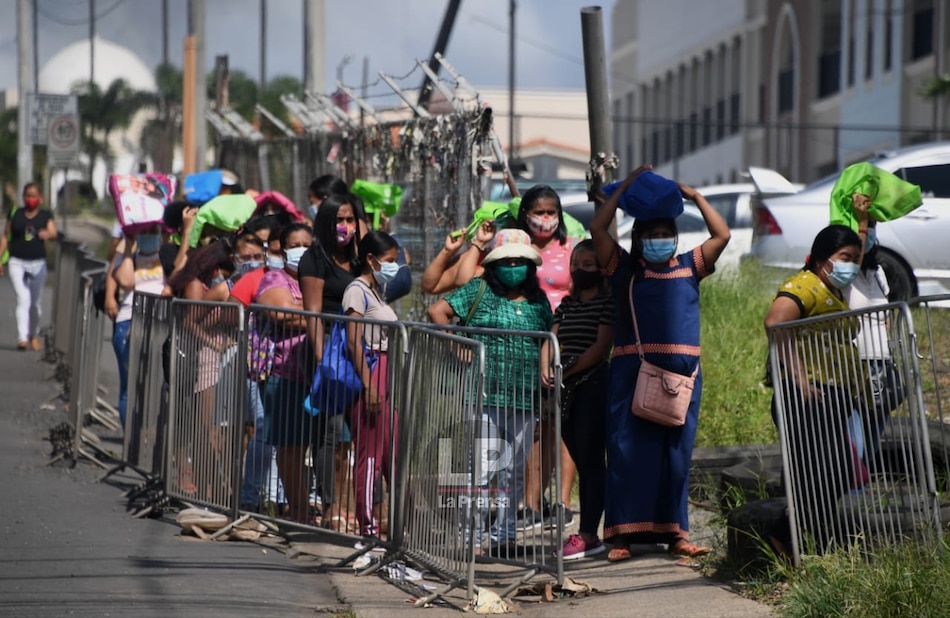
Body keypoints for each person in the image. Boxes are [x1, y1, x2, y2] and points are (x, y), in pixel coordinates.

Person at [590, 165, 730, 562]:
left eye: (666, 234)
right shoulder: (625, 272)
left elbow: (723, 235)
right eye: (651, 235)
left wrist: (697, 197)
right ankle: (620, 537)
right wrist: (625, 189)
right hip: (632, 374)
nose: (659, 241)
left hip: (683, 378)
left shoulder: (690, 267)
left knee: (676, 457)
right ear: (638, 238)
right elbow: (599, 231)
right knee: (625, 453)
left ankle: (677, 536)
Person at [428, 228, 553, 554]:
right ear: (495, 264)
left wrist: (545, 365)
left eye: (520, 261)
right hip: (484, 393)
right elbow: (437, 311)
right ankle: (470, 539)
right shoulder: (478, 289)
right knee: (481, 470)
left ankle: (505, 537)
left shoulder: (539, 301)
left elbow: (548, 337)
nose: (514, 266)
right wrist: (457, 346)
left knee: (513, 471)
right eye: (507, 260)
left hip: (524, 397)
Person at [764, 224, 867, 552]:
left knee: (837, 471)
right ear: (823, 259)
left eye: (855, 258)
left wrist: (863, 223)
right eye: (844, 257)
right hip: (808, 397)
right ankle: (784, 536)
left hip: (832, 395)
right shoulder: (805, 285)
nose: (851, 264)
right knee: (823, 472)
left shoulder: (832, 291)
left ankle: (806, 545)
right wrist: (799, 378)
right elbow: (775, 322)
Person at [540, 240, 615, 560]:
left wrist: (568, 369)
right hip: (565, 388)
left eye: (589, 265)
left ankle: (589, 533)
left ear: (601, 270)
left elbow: (600, 348)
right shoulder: (567, 304)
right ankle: (588, 532)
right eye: (577, 264)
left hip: (591, 383)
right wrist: (546, 364)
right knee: (573, 451)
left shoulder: (607, 304)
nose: (581, 270)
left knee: (590, 461)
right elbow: (552, 337)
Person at [298, 193, 366, 532]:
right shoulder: (314, 259)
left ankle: (360, 504)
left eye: (351, 220)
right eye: (339, 220)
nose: (346, 227)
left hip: (359, 352)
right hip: (330, 355)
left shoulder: (358, 260)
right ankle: (331, 504)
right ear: (326, 222)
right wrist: (325, 363)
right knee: (330, 430)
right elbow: (312, 314)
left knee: (359, 431)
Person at [253, 223, 315, 523]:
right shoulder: (274, 278)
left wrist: (306, 310)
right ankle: (300, 512)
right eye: (295, 244)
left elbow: (305, 312)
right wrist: (318, 317)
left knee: (316, 445)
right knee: (291, 445)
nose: (301, 249)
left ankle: (313, 507)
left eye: (307, 242)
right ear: (284, 249)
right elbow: (283, 315)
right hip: (284, 372)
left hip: (317, 373)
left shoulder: (315, 279)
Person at [342, 231, 401, 539]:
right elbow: (354, 342)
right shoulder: (357, 291)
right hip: (372, 372)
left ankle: (398, 524)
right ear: (371, 259)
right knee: (371, 455)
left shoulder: (377, 291)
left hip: (386, 372)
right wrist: (369, 384)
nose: (394, 266)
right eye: (389, 261)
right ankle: (368, 527)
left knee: (391, 450)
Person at [846, 195, 904, 458]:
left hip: (881, 362)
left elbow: (886, 315)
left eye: (872, 229)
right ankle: (852, 489)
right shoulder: (846, 274)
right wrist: (860, 222)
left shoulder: (878, 273)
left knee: (874, 431)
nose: (869, 234)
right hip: (855, 363)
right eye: (864, 230)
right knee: (855, 433)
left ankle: (863, 482)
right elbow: (853, 260)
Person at [111, 224, 167, 426]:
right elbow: (125, 281)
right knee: (130, 385)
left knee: (156, 385)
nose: (149, 236)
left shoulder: (166, 257)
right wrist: (128, 246)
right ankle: (130, 443)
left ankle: (149, 436)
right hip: (128, 322)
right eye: (144, 232)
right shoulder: (130, 258)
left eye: (153, 231)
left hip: (160, 324)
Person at [0, 183, 58, 351]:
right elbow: (5, 237)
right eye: (27, 195)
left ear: (40, 198)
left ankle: (33, 334)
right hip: (17, 262)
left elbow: (53, 232)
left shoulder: (45, 215)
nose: (30, 199)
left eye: (33, 196)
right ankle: (22, 337)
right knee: (23, 298)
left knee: (35, 303)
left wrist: (48, 234)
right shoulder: (15, 214)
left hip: (38, 263)